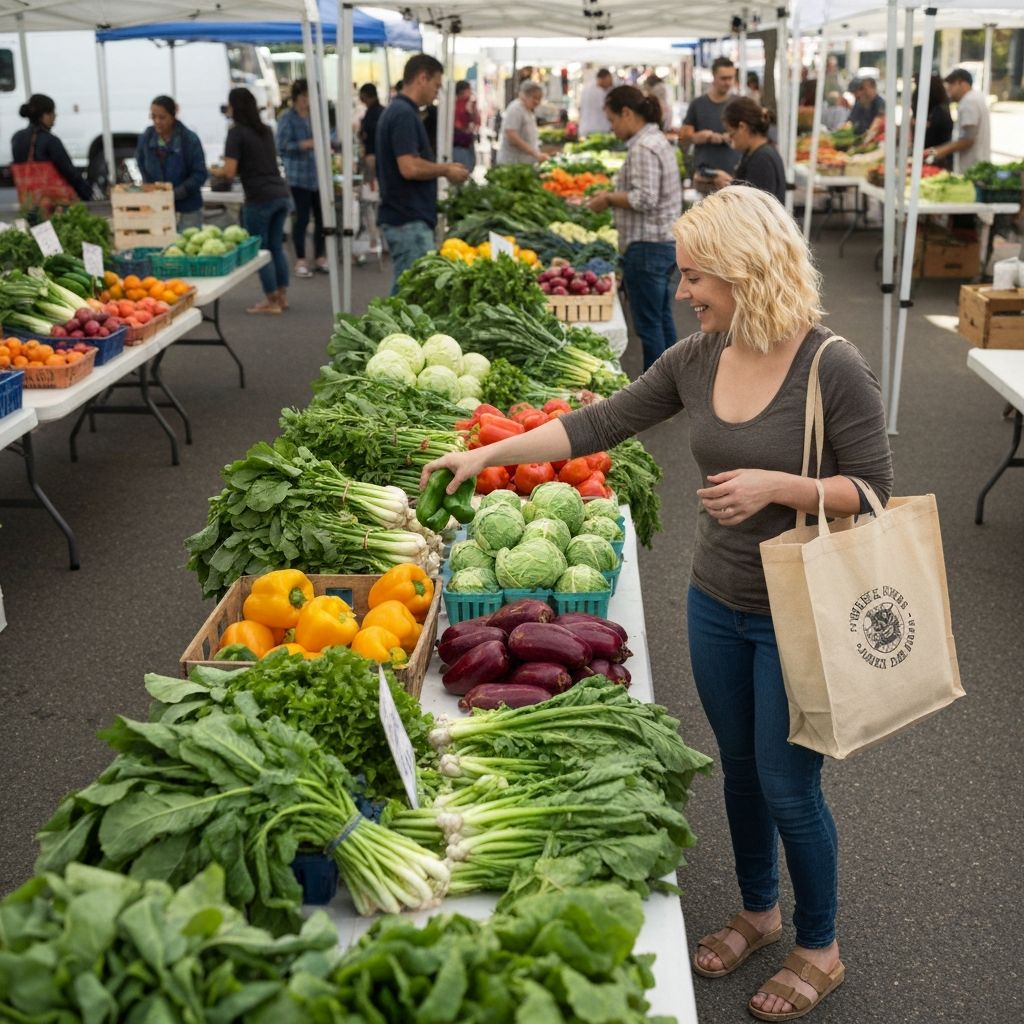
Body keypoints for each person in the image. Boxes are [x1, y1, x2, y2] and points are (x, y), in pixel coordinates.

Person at [421, 184, 893, 1024]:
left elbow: (876, 494)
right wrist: (479, 455)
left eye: (694, 275)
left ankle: (820, 947)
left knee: (790, 787)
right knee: (739, 771)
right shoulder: (698, 357)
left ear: (746, 270)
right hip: (717, 602)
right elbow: (594, 425)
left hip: (801, 612)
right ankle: (759, 910)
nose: (680, 291)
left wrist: (780, 486)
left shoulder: (832, 365)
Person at [586, 85, 682, 370]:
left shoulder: (643, 147)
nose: (612, 128)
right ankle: (677, 383)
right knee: (662, 318)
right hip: (662, 242)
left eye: (613, 120)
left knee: (649, 325)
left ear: (627, 113)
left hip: (647, 245)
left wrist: (608, 198)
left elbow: (645, 198)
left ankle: (656, 395)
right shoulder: (656, 140)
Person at [376, 53, 469, 292]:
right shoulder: (403, 114)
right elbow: (409, 167)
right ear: (422, 78)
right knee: (410, 295)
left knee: (409, 293)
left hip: (406, 217)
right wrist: (446, 169)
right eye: (436, 85)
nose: (437, 92)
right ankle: (382, 331)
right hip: (407, 219)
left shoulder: (400, 111)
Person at [209, 87, 291, 315]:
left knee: (261, 250)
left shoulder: (236, 133)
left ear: (235, 107)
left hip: (259, 197)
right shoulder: (264, 130)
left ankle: (271, 299)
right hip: (280, 193)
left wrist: (215, 170)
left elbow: (229, 171)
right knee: (276, 246)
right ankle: (282, 296)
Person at [276, 80, 325, 278]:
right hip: (297, 176)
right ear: (296, 98)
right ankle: (301, 259)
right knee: (302, 218)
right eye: (305, 96)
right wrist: (303, 144)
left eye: (310, 97)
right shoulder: (287, 119)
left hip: (317, 176)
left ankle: (320, 256)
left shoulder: (316, 118)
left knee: (322, 219)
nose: (308, 101)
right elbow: (282, 146)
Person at [135, 96, 207, 230]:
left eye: (162, 117)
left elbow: (200, 174)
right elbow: (140, 162)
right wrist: (151, 187)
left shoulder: (189, 140)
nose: (157, 121)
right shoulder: (147, 137)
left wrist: (175, 193)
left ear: (173, 116)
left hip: (187, 209)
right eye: (153, 117)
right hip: (158, 207)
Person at [10, 93, 92, 202]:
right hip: (52, 203)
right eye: (52, 112)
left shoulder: (17, 138)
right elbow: (70, 172)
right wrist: (88, 194)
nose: (55, 116)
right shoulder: (50, 140)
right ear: (43, 115)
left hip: (28, 201)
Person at [711, 98, 786, 205]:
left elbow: (754, 208)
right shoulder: (759, 153)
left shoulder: (762, 159)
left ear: (742, 127)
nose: (731, 140)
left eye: (731, 134)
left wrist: (728, 190)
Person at [681, 57, 740, 190]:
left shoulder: (739, 103)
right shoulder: (698, 104)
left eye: (731, 78)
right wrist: (699, 137)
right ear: (713, 76)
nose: (728, 82)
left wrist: (729, 137)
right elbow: (683, 138)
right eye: (723, 78)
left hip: (734, 176)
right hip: (706, 178)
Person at [928, 68, 990, 175]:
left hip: (971, 167)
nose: (949, 90)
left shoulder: (969, 102)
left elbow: (968, 139)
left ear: (963, 84)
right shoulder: (976, 98)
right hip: (977, 165)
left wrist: (939, 151)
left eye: (952, 85)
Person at [497, 81, 545, 165]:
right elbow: (511, 135)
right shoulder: (516, 109)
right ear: (525, 95)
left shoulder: (528, 110)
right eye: (535, 98)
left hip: (524, 161)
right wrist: (534, 153)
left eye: (539, 99)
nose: (537, 101)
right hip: (513, 162)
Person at [913, 75, 954, 171]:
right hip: (933, 155)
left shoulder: (939, 111)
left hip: (936, 158)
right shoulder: (939, 108)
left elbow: (934, 138)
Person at [358, 83, 384, 189]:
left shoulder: (378, 113)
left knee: (373, 189)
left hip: (375, 157)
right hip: (373, 157)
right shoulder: (374, 111)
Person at [452, 80, 480, 173]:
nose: (471, 92)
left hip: (467, 141)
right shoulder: (455, 104)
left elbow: (476, 121)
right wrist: (464, 129)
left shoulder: (470, 103)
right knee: (463, 168)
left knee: (468, 167)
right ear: (462, 91)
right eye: (469, 90)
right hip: (459, 142)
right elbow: (456, 123)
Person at [579, 68, 613, 136]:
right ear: (605, 78)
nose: (610, 83)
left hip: (586, 129)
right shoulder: (599, 91)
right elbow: (606, 108)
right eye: (609, 80)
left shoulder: (586, 87)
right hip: (599, 130)